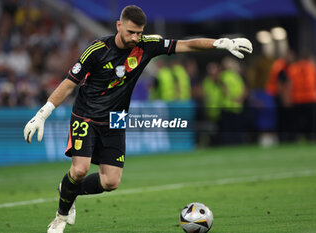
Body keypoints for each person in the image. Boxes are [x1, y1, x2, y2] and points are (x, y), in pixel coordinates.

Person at [23, 5, 252, 233]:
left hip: (117, 119)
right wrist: (42, 114)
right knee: (80, 169)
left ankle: (68, 188)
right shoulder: (97, 50)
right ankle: (61, 218)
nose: (135, 37)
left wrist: (221, 43)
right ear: (119, 26)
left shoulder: (146, 46)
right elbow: (69, 83)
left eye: (139, 33)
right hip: (86, 115)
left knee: (111, 182)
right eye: (130, 32)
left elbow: (187, 44)